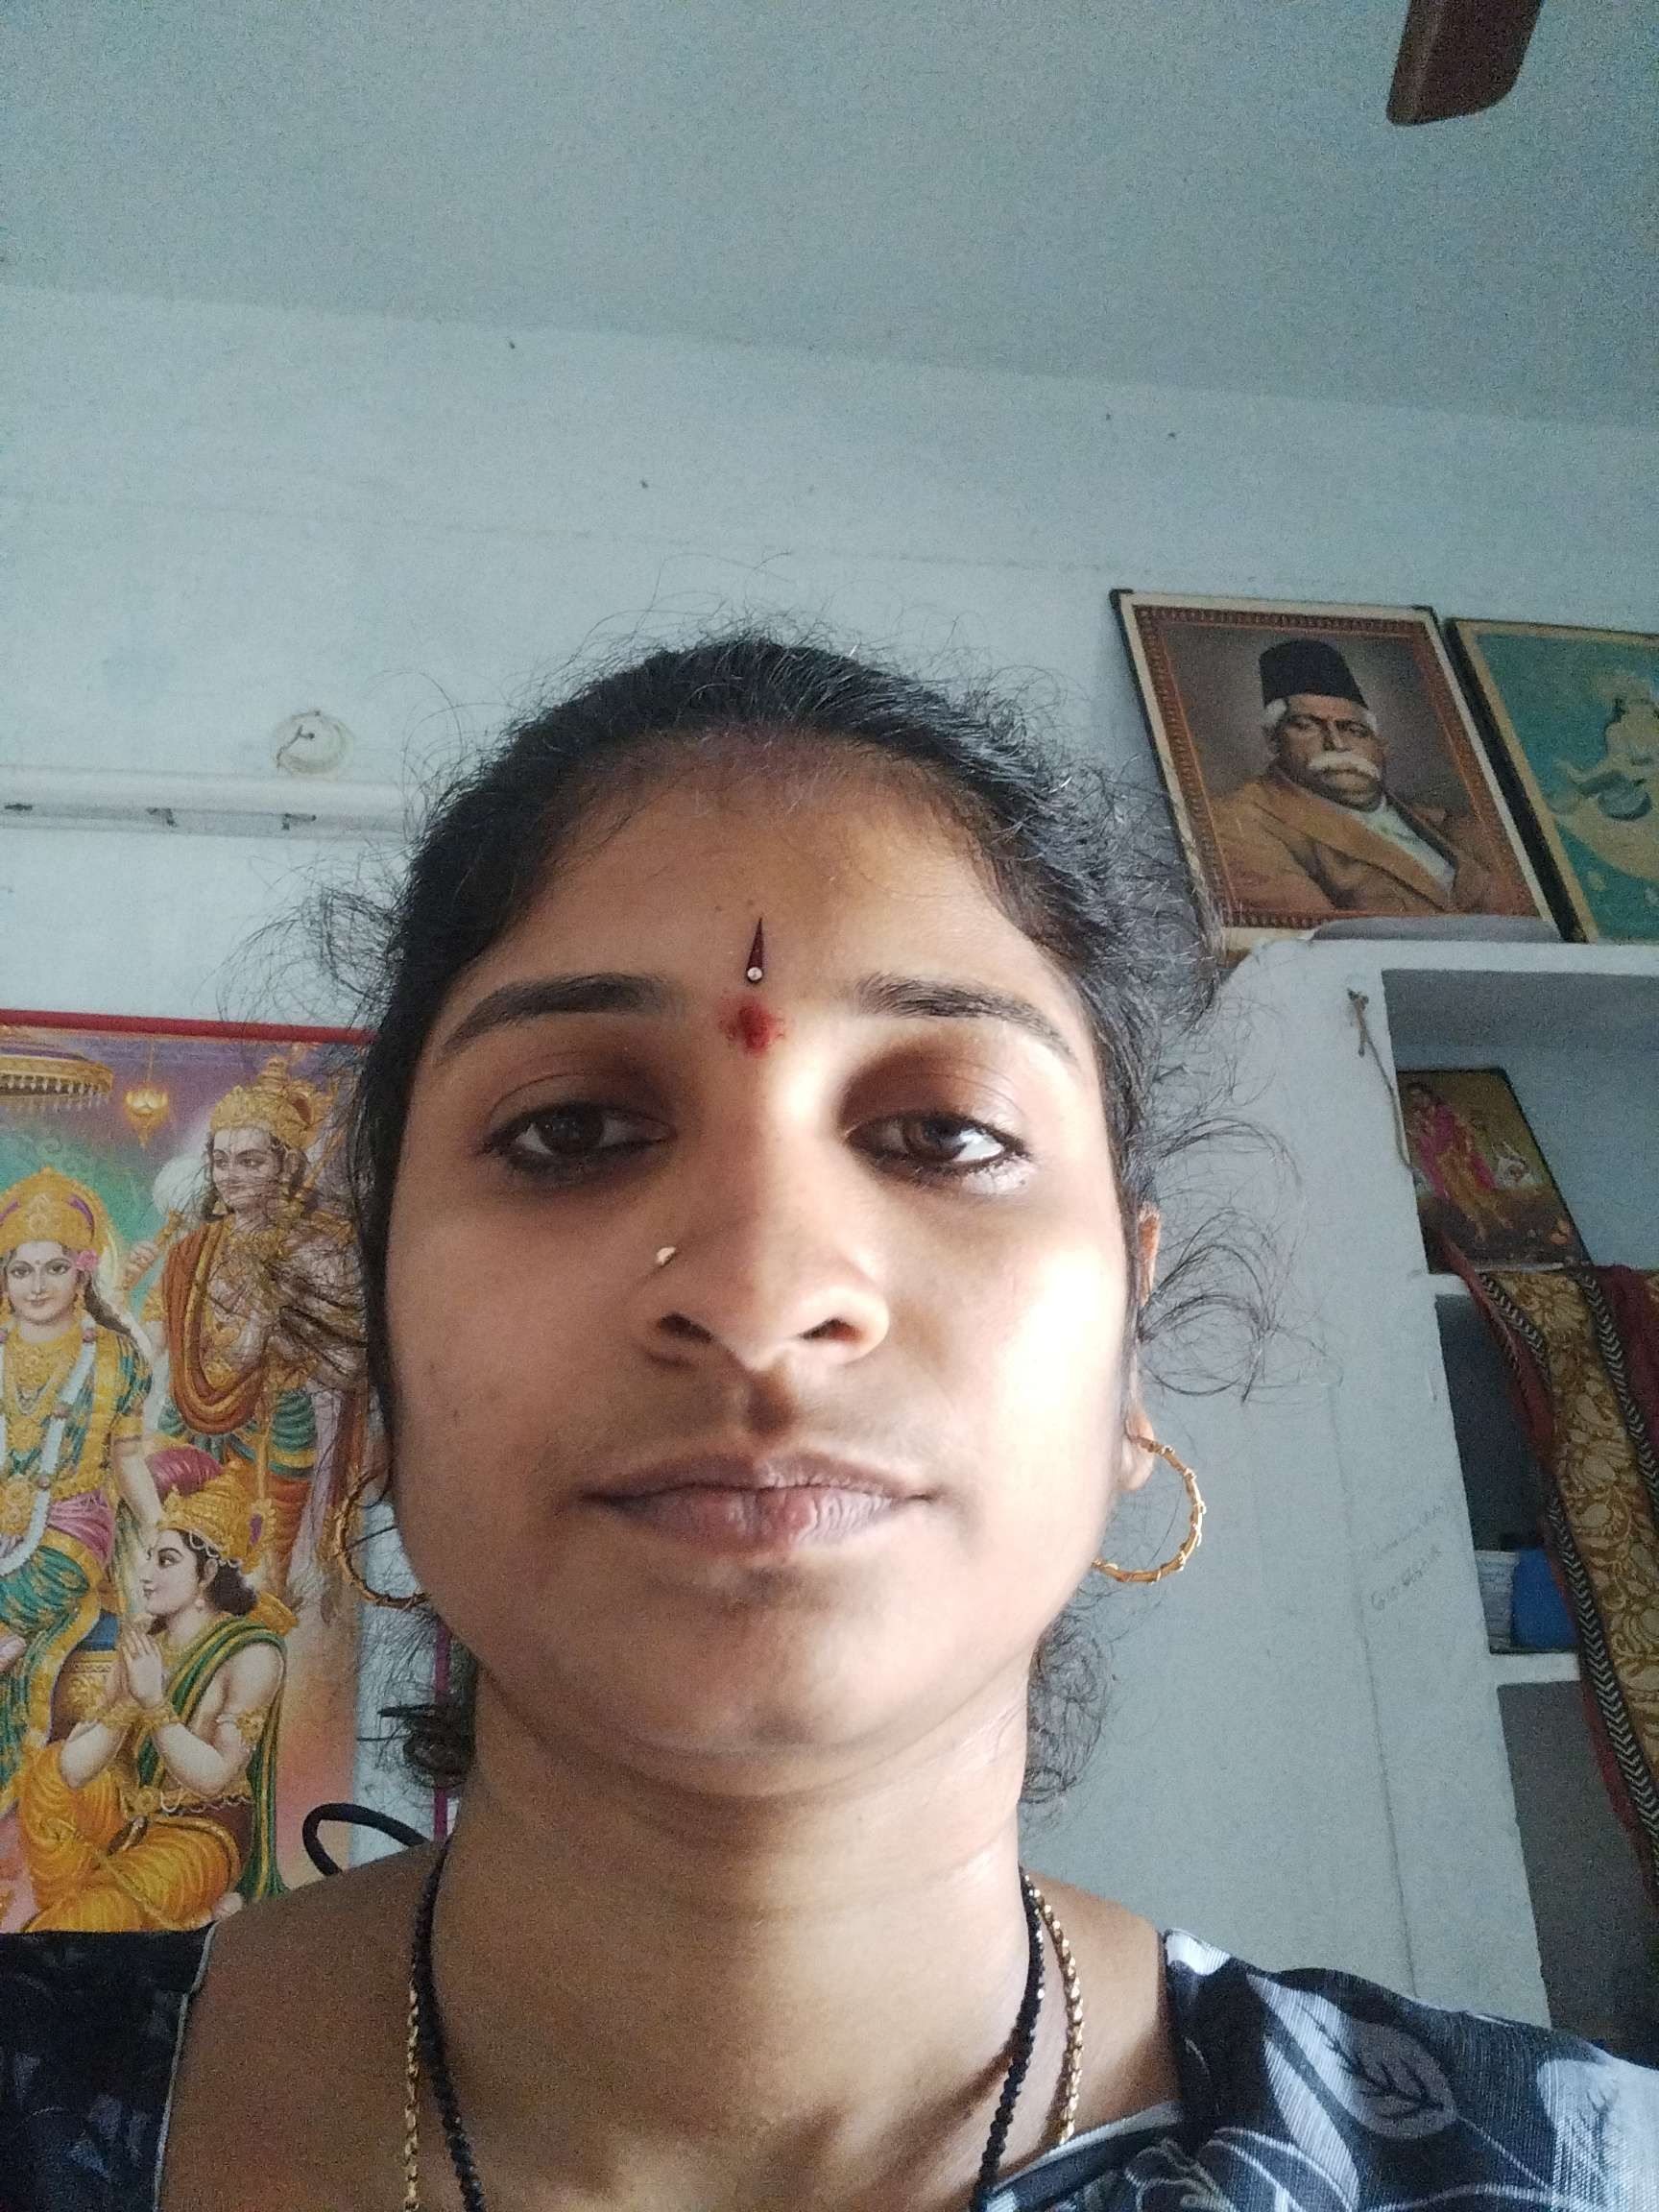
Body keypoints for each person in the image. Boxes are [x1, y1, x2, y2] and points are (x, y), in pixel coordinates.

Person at [0, 632, 1652, 2209]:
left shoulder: (1564, 2168)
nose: (759, 1288)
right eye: (571, 1130)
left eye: (942, 1133)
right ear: (375, 1336)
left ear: (1129, 1352)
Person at [123, 1056, 370, 1604]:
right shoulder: (191, 1251)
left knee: (259, 1582)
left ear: (286, 1166)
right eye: (220, 1161)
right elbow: (148, 1347)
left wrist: (284, 1327)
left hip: (273, 1427)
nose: (230, 1176)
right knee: (174, 1559)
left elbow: (349, 1365)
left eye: (250, 1161)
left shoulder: (314, 1253)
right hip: (185, 1420)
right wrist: (113, 1301)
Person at [15, 1452, 292, 1929]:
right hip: (131, 1810)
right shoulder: (147, 1638)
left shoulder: (252, 1654)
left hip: (200, 1832)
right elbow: (75, 1770)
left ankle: (81, 1922)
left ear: (207, 1574)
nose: (145, 1574)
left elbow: (214, 1779)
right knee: (46, 1777)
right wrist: (125, 1704)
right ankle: (77, 1916)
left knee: (84, 1920)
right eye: (148, 1557)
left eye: (165, 1561)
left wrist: (154, 1703)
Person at [0, 1167, 163, 1825]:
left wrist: (161, 1527)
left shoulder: (117, 1358)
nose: (36, 1286)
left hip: (70, 1530)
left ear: (83, 1275)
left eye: (55, 1269)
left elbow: (126, 1458)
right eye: (21, 1271)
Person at [1210, 637, 1535, 919]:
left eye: (1354, 730)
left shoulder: (1455, 825)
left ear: (1381, 747)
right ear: (1273, 741)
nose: (1337, 744)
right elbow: (1317, 943)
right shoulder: (1236, 822)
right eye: (1307, 726)